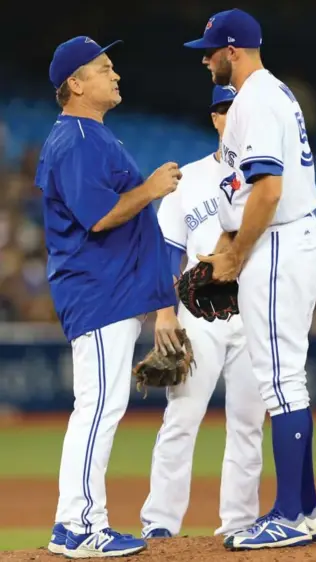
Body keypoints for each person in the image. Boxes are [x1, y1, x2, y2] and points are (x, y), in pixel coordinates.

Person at [184, 9, 316, 551]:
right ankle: (308, 509)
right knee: (286, 376)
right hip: (283, 240)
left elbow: (267, 192)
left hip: (278, 241)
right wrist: (227, 247)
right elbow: (247, 190)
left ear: (232, 50)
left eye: (209, 50)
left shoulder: (255, 99)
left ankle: (289, 514)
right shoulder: (271, 94)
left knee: (281, 380)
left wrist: (237, 256)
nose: (204, 59)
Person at [35, 35, 182, 559]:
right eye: (103, 67)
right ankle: (75, 525)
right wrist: (150, 188)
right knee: (96, 407)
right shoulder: (75, 138)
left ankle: (82, 521)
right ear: (75, 83)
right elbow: (97, 216)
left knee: (102, 406)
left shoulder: (93, 135)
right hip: (97, 292)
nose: (115, 75)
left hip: (111, 293)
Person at [140, 85, 266, 539]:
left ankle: (240, 523)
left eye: (242, 109)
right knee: (181, 417)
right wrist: (163, 314)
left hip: (254, 312)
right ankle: (160, 524)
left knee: (249, 423)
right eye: (226, 109)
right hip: (197, 313)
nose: (234, 116)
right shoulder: (188, 179)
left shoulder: (268, 177)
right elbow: (164, 252)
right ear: (215, 117)